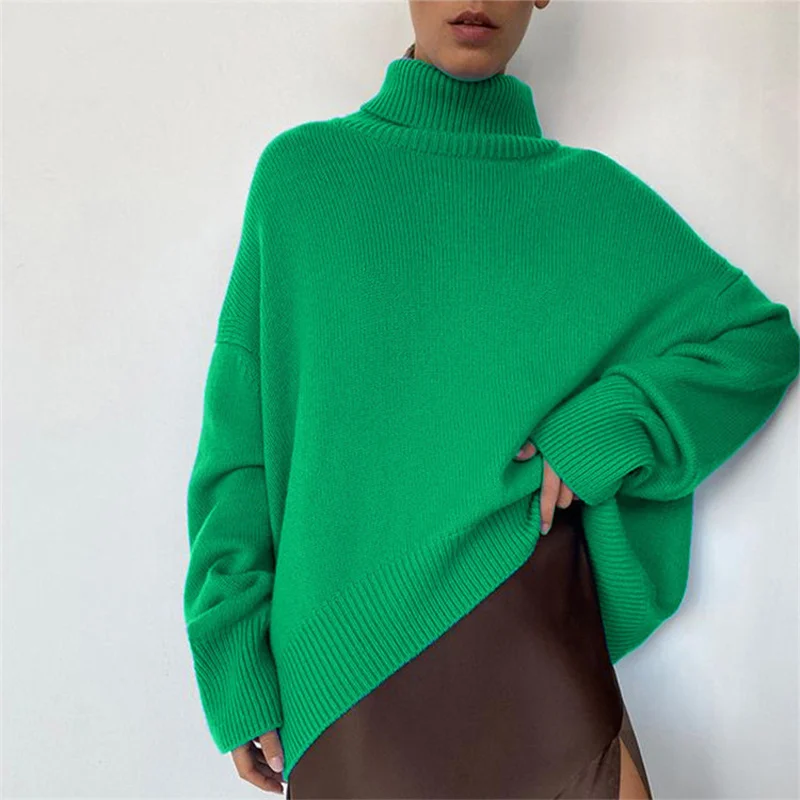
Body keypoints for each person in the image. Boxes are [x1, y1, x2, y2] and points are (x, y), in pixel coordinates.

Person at [183, 1, 800, 797]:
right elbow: (240, 450)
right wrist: (234, 659)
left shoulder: (588, 200)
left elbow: (757, 340)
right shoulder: (303, 180)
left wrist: (610, 422)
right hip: (346, 679)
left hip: (538, 645)